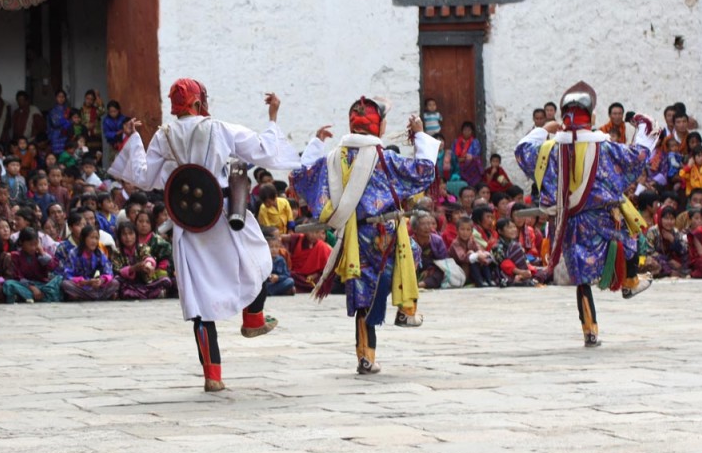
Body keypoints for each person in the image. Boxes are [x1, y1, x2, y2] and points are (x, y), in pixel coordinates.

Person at [110, 79, 303, 392]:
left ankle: (213, 376)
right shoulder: (218, 128)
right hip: (223, 213)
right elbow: (264, 151)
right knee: (256, 259)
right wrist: (272, 117)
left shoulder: (164, 135)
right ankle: (253, 317)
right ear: (199, 103)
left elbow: (144, 179)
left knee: (199, 299)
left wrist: (133, 140)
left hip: (188, 223)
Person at [290, 96, 439, 372]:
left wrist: (316, 143)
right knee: (412, 256)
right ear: (378, 126)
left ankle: (365, 356)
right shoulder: (384, 158)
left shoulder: (335, 156)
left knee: (363, 292)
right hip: (386, 234)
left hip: (355, 236)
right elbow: (424, 171)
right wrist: (420, 135)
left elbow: (302, 176)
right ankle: (407, 311)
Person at [515, 81, 655, 348]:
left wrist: (543, 130)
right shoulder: (606, 147)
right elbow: (637, 158)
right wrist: (645, 132)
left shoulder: (551, 149)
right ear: (591, 119)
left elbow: (522, 152)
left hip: (570, 222)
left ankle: (590, 331)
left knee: (581, 277)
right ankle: (629, 281)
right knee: (630, 239)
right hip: (602, 218)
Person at [454, 121, 483, 187]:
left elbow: (476, 155)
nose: (466, 132)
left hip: (470, 164)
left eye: (469, 130)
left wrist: (468, 158)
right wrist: (459, 159)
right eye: (465, 130)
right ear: (462, 131)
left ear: (472, 131)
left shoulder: (475, 142)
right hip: (459, 163)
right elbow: (454, 155)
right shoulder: (456, 142)